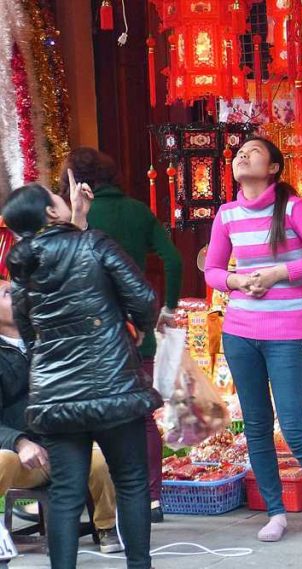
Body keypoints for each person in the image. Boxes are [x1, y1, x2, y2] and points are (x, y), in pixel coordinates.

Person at [204, 137, 302, 545]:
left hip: (284, 334)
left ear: (273, 167)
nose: (242, 156)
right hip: (239, 332)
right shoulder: (227, 213)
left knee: (294, 428)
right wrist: (235, 280)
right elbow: (212, 271)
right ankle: (275, 512)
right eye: (239, 153)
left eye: (253, 152)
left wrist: (277, 273)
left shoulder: (291, 207)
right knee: (255, 426)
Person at [3, 183, 159, 569]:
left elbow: (27, 332)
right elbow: (143, 299)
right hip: (113, 386)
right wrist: (134, 335)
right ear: (52, 213)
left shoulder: (22, 269)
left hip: (56, 397)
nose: (61, 199)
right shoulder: (95, 245)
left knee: (67, 494)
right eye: (55, 198)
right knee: (132, 482)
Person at [61, 147, 183, 522]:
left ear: (75, 181)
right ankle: (151, 498)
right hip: (135, 327)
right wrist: (168, 308)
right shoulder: (137, 210)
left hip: (88, 332)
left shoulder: (75, 218)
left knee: (86, 414)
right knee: (143, 416)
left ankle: (100, 503)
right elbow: (174, 260)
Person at [0, 278, 123, 553]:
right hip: (20, 457)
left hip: (61, 448)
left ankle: (105, 527)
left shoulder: (46, 341)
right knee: (1, 461)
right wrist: (20, 442)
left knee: (99, 458)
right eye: (8, 294)